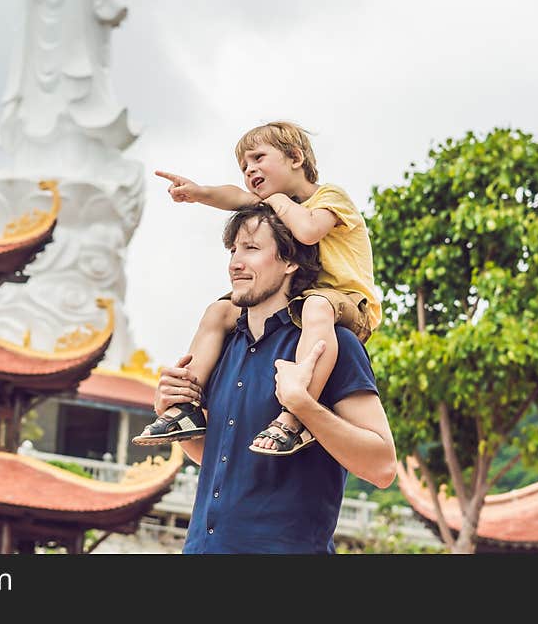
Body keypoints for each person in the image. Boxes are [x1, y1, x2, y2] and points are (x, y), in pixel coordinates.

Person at [133, 121, 381, 456]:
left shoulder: (328, 197)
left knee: (317, 306)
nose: (250, 169)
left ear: (295, 157)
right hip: (305, 300)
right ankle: (186, 406)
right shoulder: (279, 206)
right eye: (244, 166)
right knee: (219, 310)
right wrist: (199, 193)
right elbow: (236, 197)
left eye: (258, 158)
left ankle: (294, 416)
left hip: (349, 301)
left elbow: (308, 232)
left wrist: (275, 199)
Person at [161, 204, 396, 553]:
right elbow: (215, 456)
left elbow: (382, 467)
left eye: (251, 249)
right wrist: (175, 417)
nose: (235, 263)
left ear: (290, 261)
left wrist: (303, 405)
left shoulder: (332, 344)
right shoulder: (224, 346)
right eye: (233, 250)